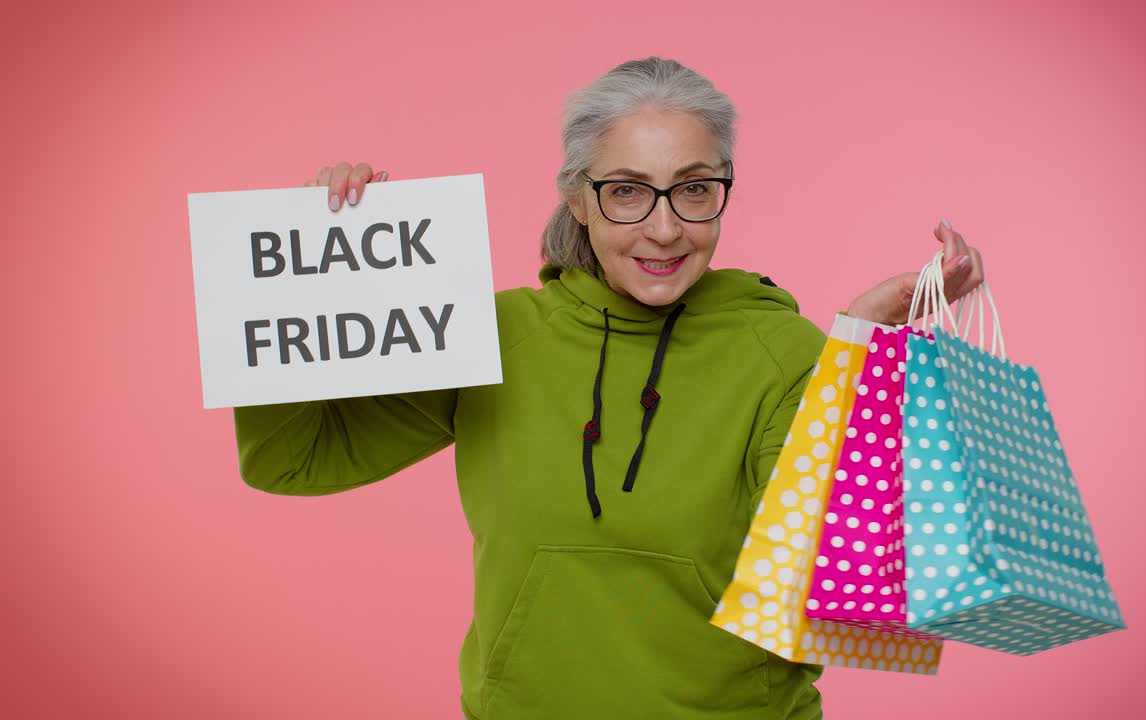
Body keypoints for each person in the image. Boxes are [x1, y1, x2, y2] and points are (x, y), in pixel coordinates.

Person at [232, 56, 985, 719]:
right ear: (577, 197)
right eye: (627, 192)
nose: (665, 229)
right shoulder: (494, 337)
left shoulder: (781, 351)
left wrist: (856, 350)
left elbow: (825, 578)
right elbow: (290, 459)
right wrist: (304, 278)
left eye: (694, 190)